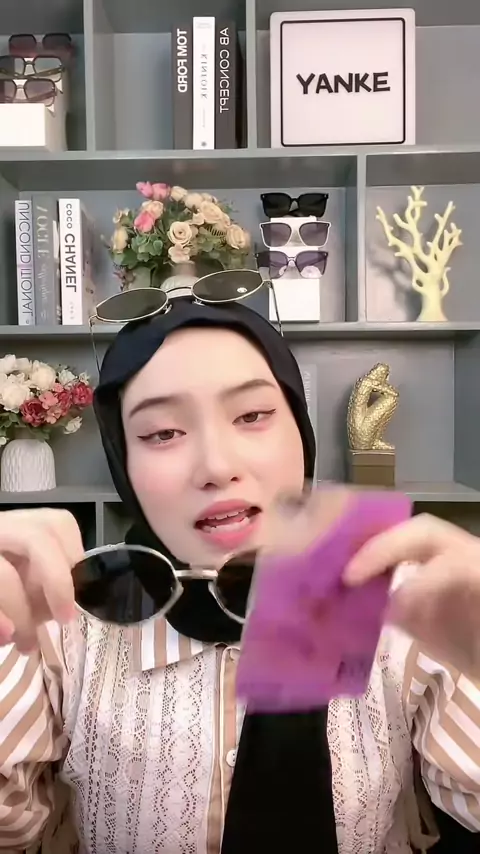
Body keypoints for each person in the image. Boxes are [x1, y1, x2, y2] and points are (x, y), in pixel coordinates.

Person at [0, 293, 479, 854]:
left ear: (300, 430)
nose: (217, 466)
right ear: (122, 459)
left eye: (252, 416)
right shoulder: (59, 613)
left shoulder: (414, 603)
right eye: (162, 433)